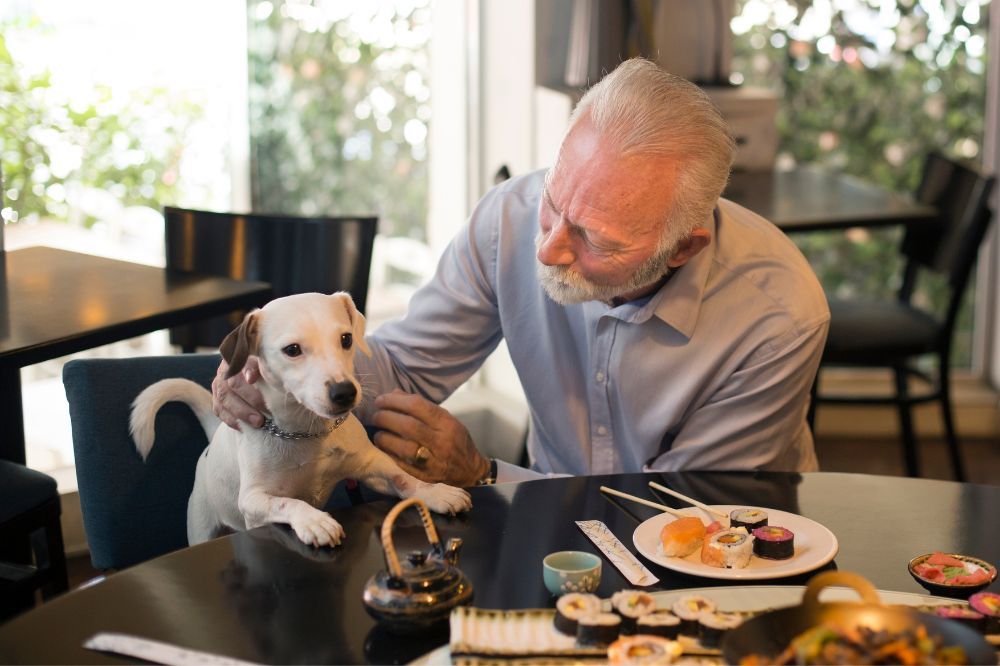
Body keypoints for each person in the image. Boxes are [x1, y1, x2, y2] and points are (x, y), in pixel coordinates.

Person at [213, 58, 830, 488]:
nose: (548, 250)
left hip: (724, 550)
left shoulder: (778, 317)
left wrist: (484, 476)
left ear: (681, 249)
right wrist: (278, 373)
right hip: (547, 515)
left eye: (593, 238)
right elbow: (402, 372)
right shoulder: (508, 219)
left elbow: (681, 517)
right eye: (554, 204)